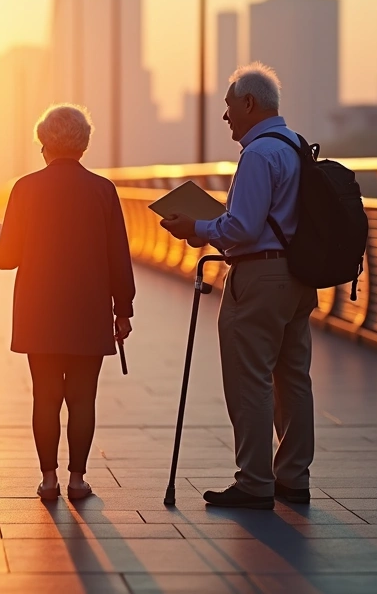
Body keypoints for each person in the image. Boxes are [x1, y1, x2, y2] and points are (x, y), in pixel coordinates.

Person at [160, 63, 317, 510]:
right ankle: (293, 477)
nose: (226, 117)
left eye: (229, 107)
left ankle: (254, 481)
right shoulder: (295, 147)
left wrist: (198, 226)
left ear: (249, 103)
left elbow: (244, 226)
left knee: (250, 380)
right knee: (293, 379)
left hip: (260, 278)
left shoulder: (258, 154)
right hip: (298, 277)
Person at [0, 104, 135, 501]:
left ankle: (49, 478)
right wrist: (123, 310)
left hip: (40, 310)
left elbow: (8, 258)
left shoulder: (26, 188)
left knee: (46, 395)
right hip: (89, 309)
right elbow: (118, 257)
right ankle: (78, 479)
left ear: (44, 145)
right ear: (84, 146)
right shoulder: (103, 190)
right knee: (83, 396)